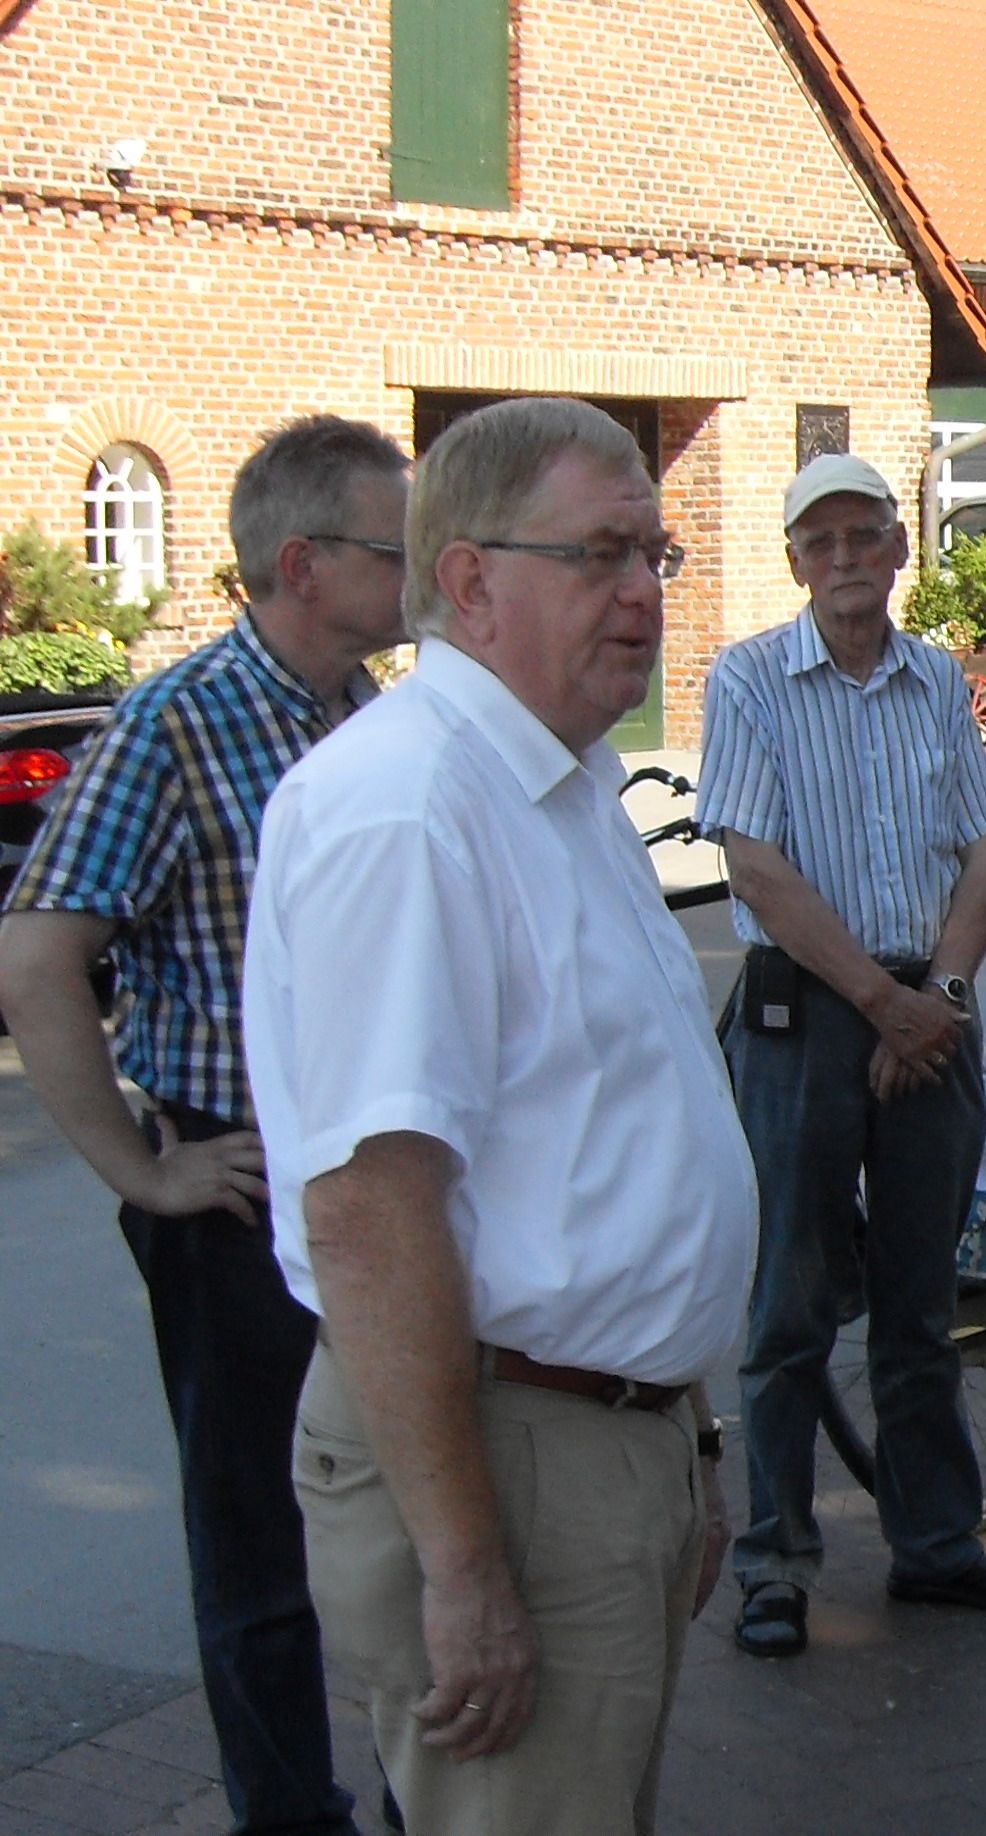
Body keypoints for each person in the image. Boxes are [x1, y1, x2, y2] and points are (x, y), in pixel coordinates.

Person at [244, 396, 752, 1832]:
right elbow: (368, 1213)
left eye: (656, 554)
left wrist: (687, 1439)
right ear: (467, 581)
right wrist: (464, 1568)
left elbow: (610, 1158)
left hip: (592, 1436)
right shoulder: (411, 805)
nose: (646, 594)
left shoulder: (560, 781)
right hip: (504, 1456)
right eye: (602, 556)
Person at [0, 416, 406, 1836]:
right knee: (259, 1539)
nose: (417, 567)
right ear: (304, 563)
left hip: (387, 1178)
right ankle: (290, 1817)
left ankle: (434, 1793)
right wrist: (143, 1168)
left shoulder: (382, 715)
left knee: (414, 1501)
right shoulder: (175, 724)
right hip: (236, 1190)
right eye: (390, 544)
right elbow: (38, 956)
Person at [701, 453, 986, 1659]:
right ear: (794, 560)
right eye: (821, 542)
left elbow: (984, 854)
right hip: (809, 1014)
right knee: (789, 1303)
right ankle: (776, 1565)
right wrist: (879, 1002)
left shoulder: (935, 678)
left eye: (866, 537)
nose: (846, 560)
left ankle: (937, 1549)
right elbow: (755, 867)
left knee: (919, 1304)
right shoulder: (747, 679)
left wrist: (939, 995)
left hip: (929, 1009)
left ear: (900, 549)